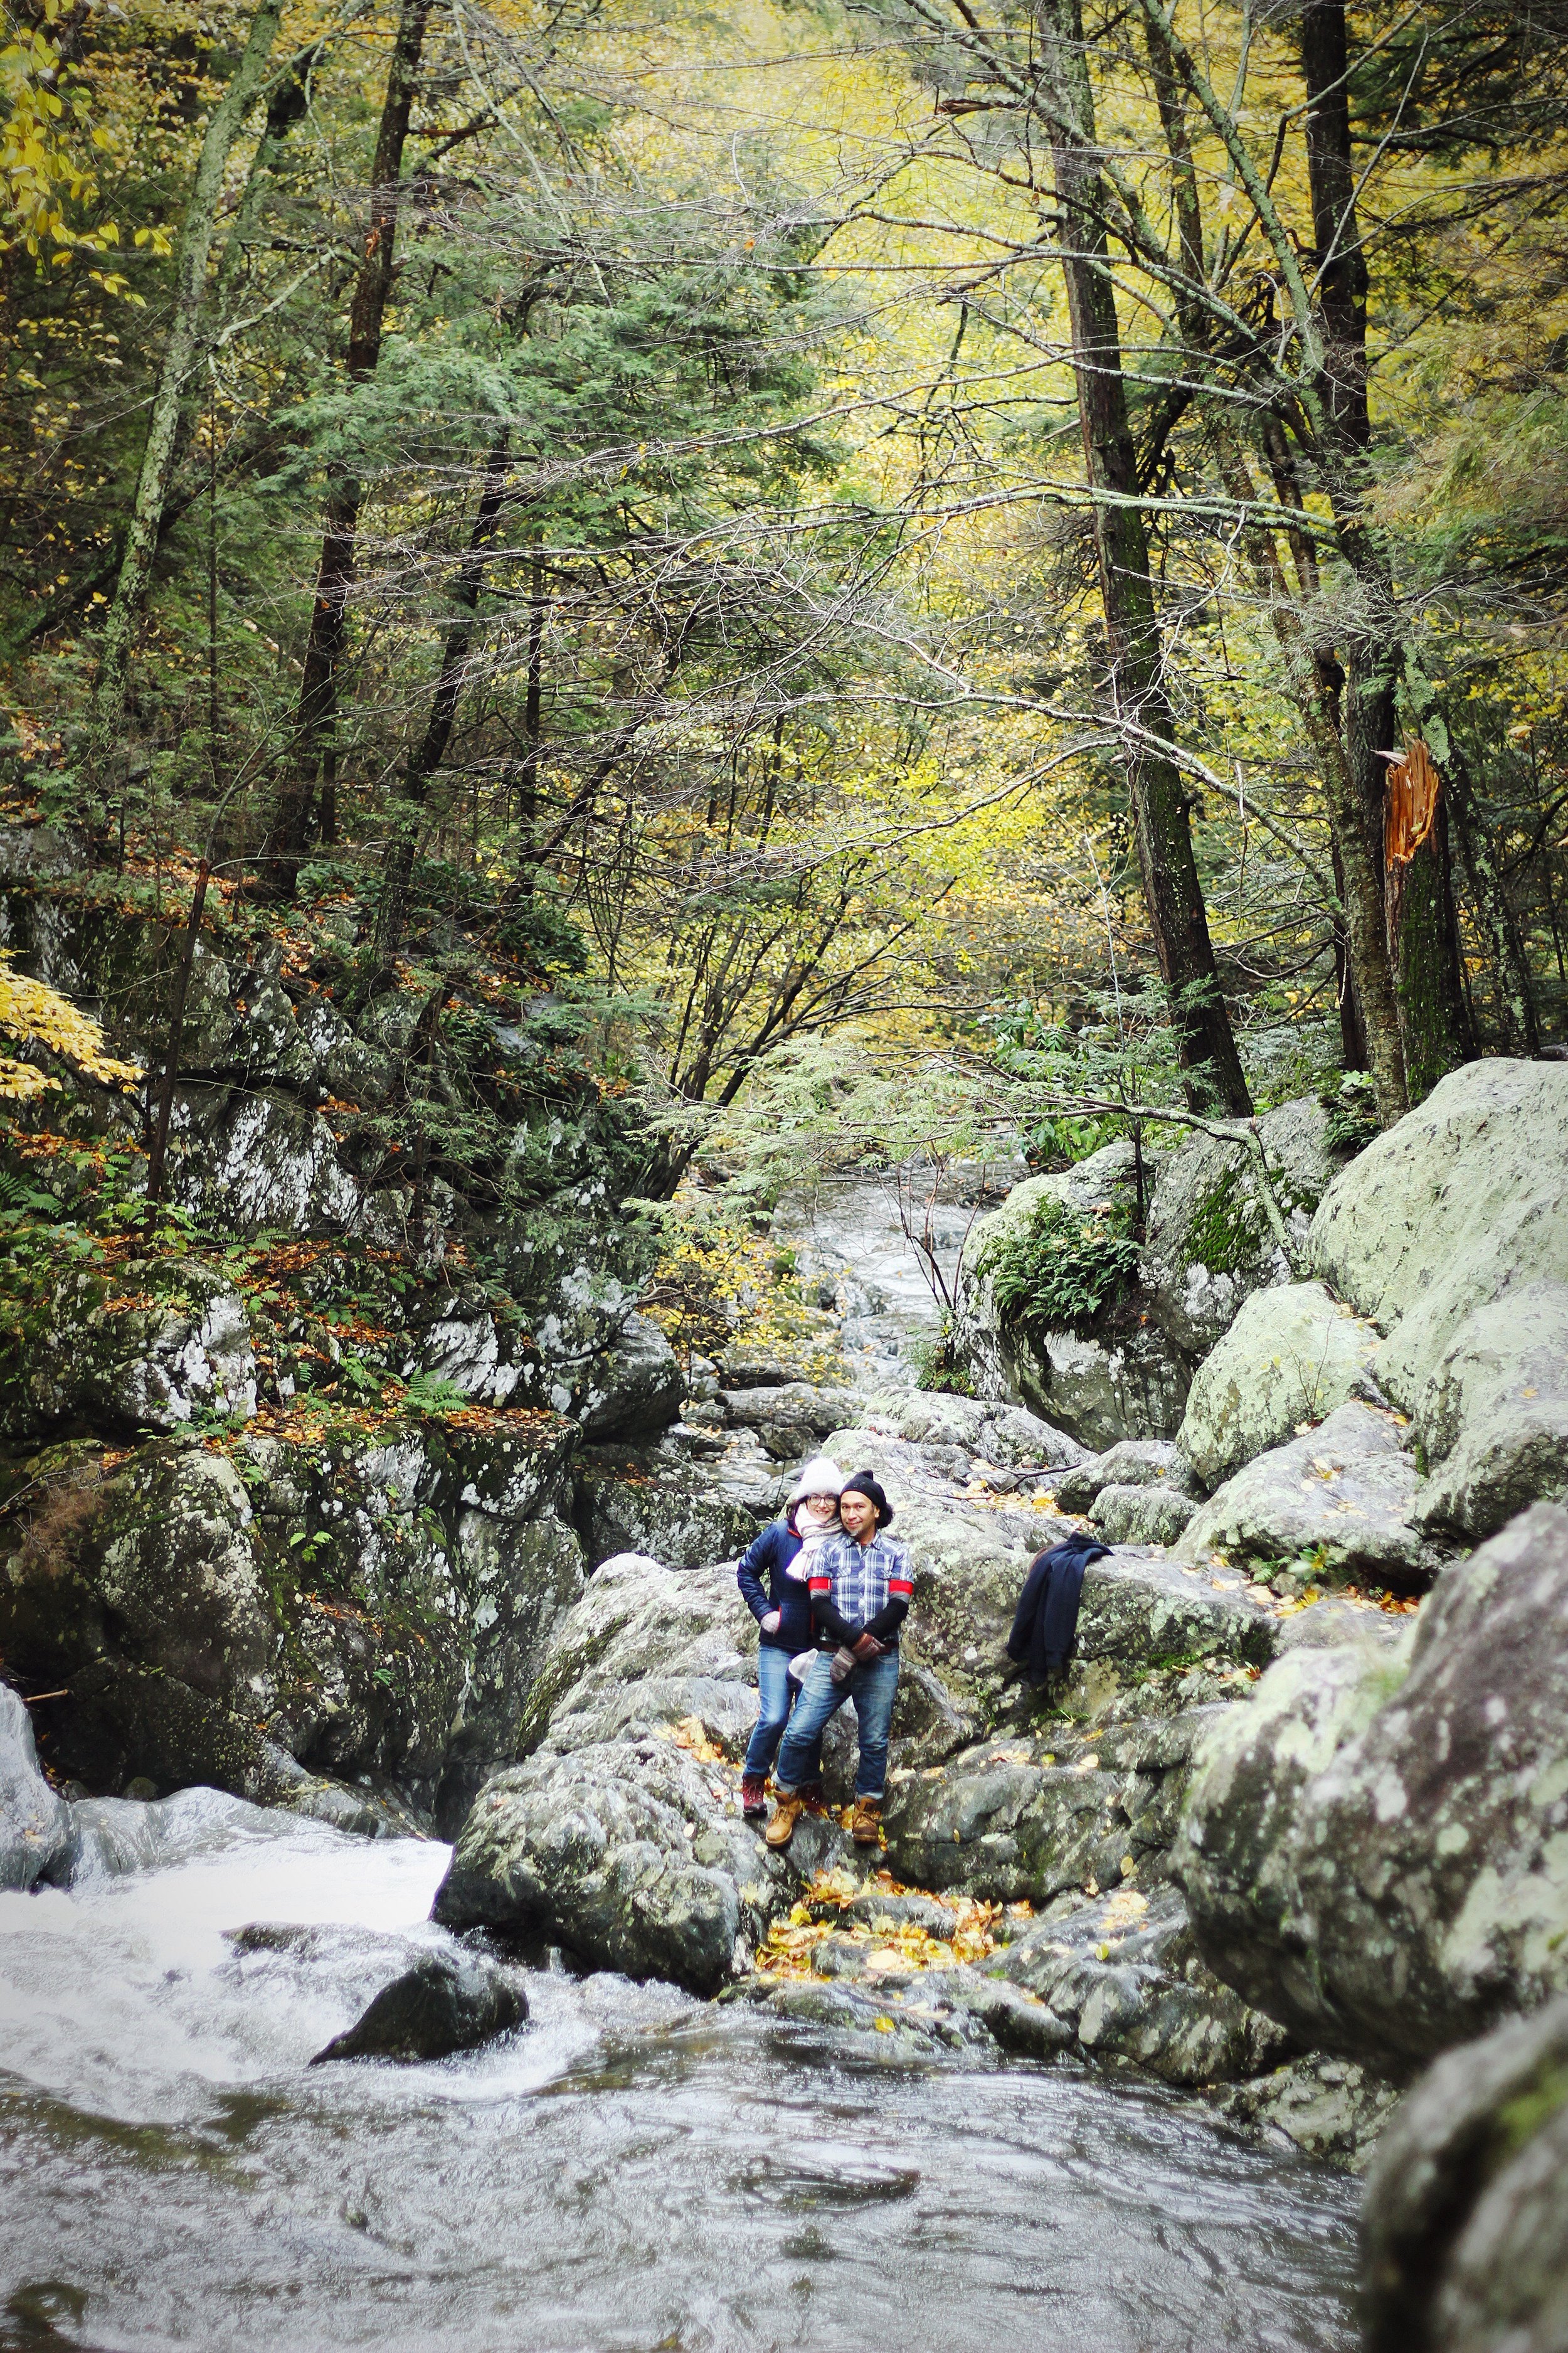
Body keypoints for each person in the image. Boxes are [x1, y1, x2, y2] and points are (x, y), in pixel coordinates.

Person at [765, 1470, 911, 1851]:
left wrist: (868, 1641)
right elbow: (819, 1603)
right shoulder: (827, 1551)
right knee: (799, 1730)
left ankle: (867, 1808)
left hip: (881, 1661)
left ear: (876, 1510)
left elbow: (899, 1605)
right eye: (845, 1507)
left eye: (858, 1506)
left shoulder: (897, 1553)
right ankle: (786, 1801)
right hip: (832, 1660)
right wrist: (854, 1640)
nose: (849, 1514)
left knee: (875, 1740)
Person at [735, 1456, 844, 1820]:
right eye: (817, 1496)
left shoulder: (843, 1542)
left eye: (831, 1497)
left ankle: (808, 1785)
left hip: (821, 1649)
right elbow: (747, 1571)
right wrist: (766, 1613)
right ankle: (754, 1781)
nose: (824, 1504)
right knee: (775, 1717)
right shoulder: (782, 1535)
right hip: (780, 1645)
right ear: (803, 1499)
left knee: (808, 1722)